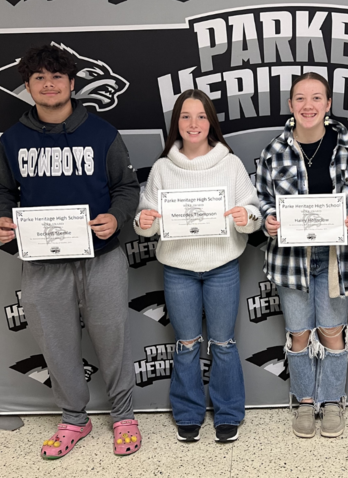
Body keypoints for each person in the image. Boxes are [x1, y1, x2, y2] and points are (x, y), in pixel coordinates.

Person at [0, 45, 142, 458]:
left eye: (56, 77)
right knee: (55, 343)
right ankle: (75, 418)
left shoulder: (102, 133)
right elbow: (1, 190)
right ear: (27, 86)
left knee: (113, 337)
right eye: (39, 77)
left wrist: (116, 217)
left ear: (72, 84)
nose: (49, 83)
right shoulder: (14, 139)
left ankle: (124, 415)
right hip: (42, 260)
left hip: (101, 255)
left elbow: (126, 189)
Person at [133, 89, 262, 444]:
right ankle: (188, 413)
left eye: (201, 116)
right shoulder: (162, 168)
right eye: (186, 116)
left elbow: (253, 213)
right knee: (187, 344)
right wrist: (144, 221)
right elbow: (145, 221)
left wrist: (245, 216)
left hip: (222, 266)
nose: (193, 124)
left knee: (222, 343)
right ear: (177, 123)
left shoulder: (230, 163)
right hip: (178, 268)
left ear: (211, 123)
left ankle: (229, 413)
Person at [256, 72, 348, 438]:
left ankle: (331, 401)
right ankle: (305, 401)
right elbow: (261, 198)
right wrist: (268, 219)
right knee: (298, 334)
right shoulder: (273, 151)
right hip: (291, 260)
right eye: (300, 98)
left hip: (338, 259)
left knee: (331, 331)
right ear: (291, 106)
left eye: (316, 98)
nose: (308, 105)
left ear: (327, 104)